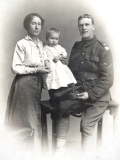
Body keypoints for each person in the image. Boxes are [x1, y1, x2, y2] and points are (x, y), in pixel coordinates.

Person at [68, 14, 114, 159]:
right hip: (79, 92)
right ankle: (58, 152)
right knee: (59, 110)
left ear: (93, 27)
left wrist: (91, 94)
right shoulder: (76, 47)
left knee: (86, 125)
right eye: (81, 25)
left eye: (87, 24)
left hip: (98, 95)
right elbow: (70, 72)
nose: (84, 27)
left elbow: (108, 79)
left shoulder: (102, 48)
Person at [4, 13, 50, 155]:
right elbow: (15, 67)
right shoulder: (21, 44)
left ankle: (35, 153)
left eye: (39, 24)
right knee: (26, 121)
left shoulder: (41, 44)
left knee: (35, 119)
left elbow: (44, 66)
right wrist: (37, 69)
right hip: (24, 85)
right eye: (33, 23)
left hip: (36, 84)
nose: (37, 26)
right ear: (27, 25)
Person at [42, 28, 80, 156]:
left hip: (61, 70)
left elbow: (64, 54)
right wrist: (55, 58)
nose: (54, 41)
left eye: (56, 38)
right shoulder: (45, 49)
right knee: (55, 85)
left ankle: (69, 94)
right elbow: (49, 61)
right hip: (53, 70)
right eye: (52, 38)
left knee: (65, 82)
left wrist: (62, 56)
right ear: (47, 38)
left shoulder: (59, 47)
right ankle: (57, 97)